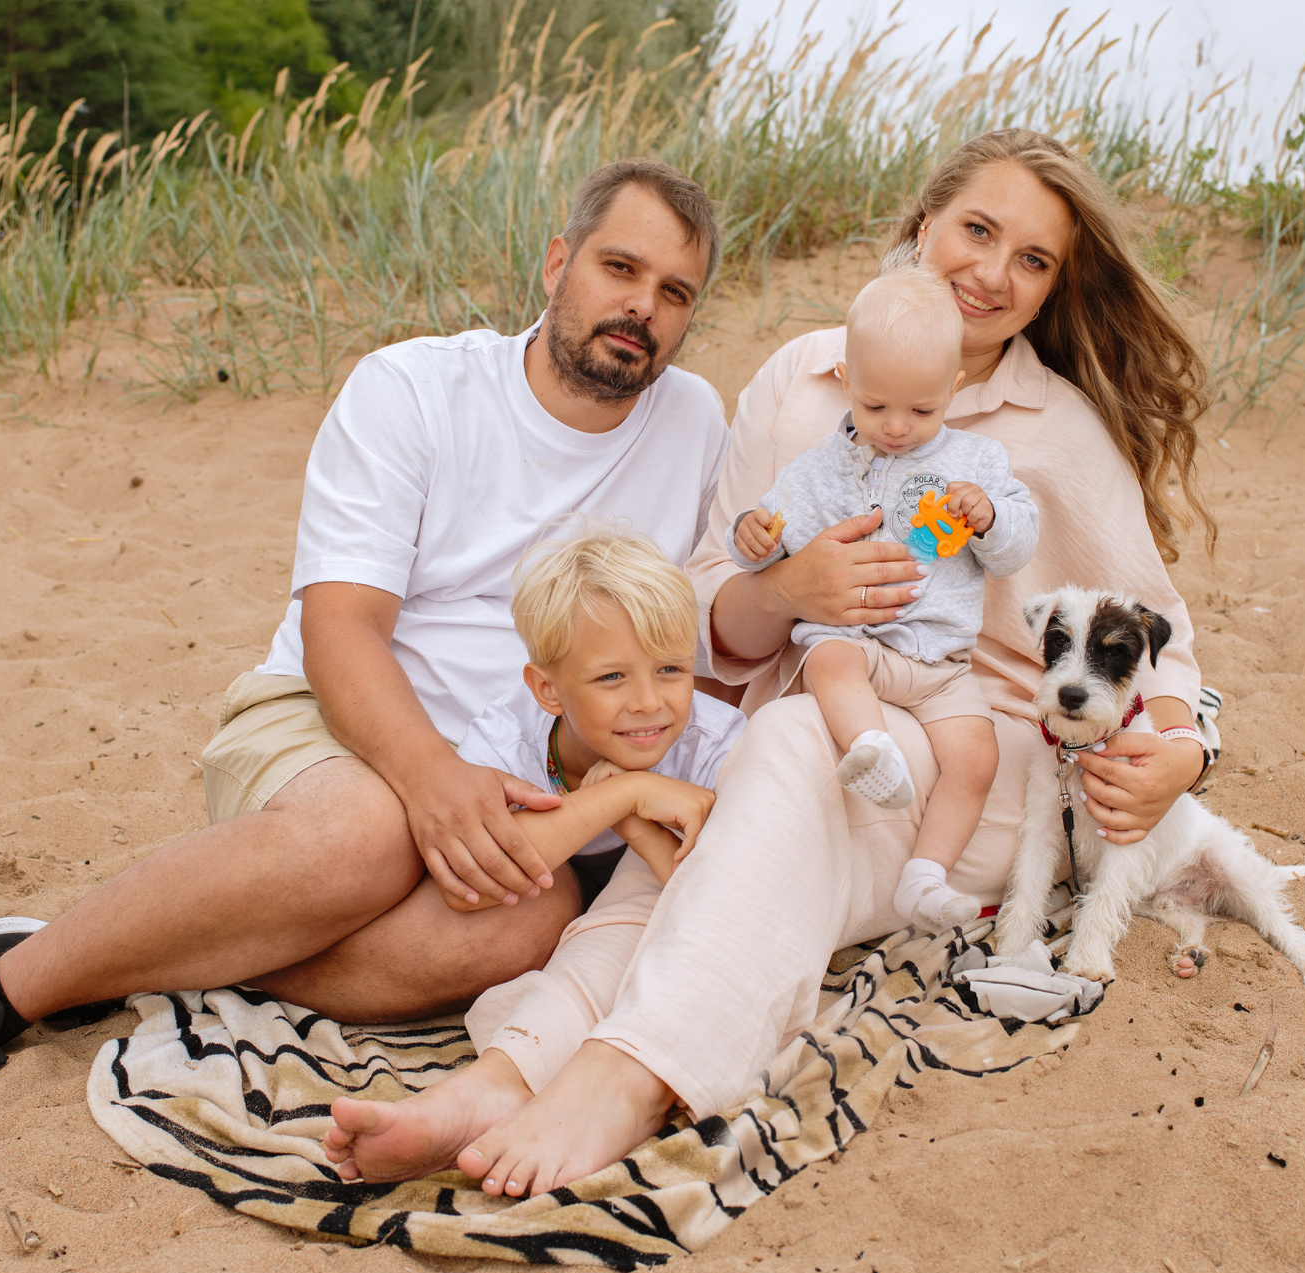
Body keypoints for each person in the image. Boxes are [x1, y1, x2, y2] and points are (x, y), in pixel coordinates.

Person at [334, 129, 1220, 1200]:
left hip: (964, 756)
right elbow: (709, 606)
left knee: (788, 751)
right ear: (924, 225)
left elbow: (1164, 630)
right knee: (697, 834)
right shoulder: (802, 379)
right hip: (793, 717)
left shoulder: (1053, 428)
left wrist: (1184, 751)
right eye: (977, 230)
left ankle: (627, 1080)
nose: (993, 272)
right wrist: (789, 587)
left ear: (1051, 288)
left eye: (1032, 259)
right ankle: (502, 1076)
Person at [0, 159, 734, 1104]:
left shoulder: (695, 422)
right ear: (556, 263)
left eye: (675, 292)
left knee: (528, 923)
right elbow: (340, 627)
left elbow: (711, 617)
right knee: (367, 834)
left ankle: (133, 954)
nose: (642, 307)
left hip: (529, 774)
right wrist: (432, 780)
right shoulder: (414, 388)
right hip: (337, 726)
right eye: (619, 268)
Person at [321, 524, 743, 1183]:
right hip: (550, 907)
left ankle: (534, 1089)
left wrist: (637, 830)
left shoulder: (713, 743)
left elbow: (708, 897)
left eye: (671, 669)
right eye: (611, 677)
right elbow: (487, 874)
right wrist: (621, 796)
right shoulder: (511, 739)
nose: (648, 702)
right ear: (547, 690)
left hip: (632, 910)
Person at [726, 264, 1037, 930]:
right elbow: (769, 537)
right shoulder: (819, 468)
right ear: (847, 382)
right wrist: (751, 535)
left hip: (940, 662)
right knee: (826, 660)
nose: (896, 427)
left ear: (954, 388)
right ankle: (871, 748)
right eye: (875, 407)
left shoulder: (976, 464)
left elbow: (1015, 550)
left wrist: (990, 516)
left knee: (976, 757)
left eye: (922, 410)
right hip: (858, 643)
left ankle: (924, 877)